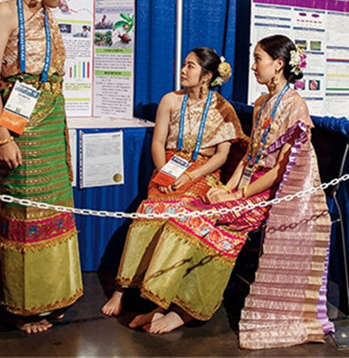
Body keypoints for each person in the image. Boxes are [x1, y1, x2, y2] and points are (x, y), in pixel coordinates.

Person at [106, 35, 331, 349]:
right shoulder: (262, 103)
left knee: (200, 224)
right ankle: (161, 303)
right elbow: (250, 156)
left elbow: (278, 171)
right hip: (246, 185)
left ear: (279, 64)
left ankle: (185, 311)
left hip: (269, 194)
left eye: (258, 59)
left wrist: (238, 195)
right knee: (184, 215)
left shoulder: (296, 106)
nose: (253, 66)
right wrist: (226, 188)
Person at [0, 0, 82, 333]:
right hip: (19, 127)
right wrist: (3, 137)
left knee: (54, 209)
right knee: (23, 210)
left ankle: (55, 295)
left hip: (51, 125)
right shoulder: (3, 13)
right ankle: (23, 306)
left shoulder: (48, 16)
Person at [100, 47, 244, 317]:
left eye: (190, 66)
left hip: (202, 172)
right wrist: (163, 173)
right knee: (148, 212)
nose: (183, 70)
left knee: (182, 213)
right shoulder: (170, 100)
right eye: (184, 64)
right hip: (168, 166)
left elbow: (222, 156)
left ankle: (162, 293)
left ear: (207, 76)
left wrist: (190, 176)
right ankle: (122, 289)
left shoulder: (223, 109)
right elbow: (157, 142)